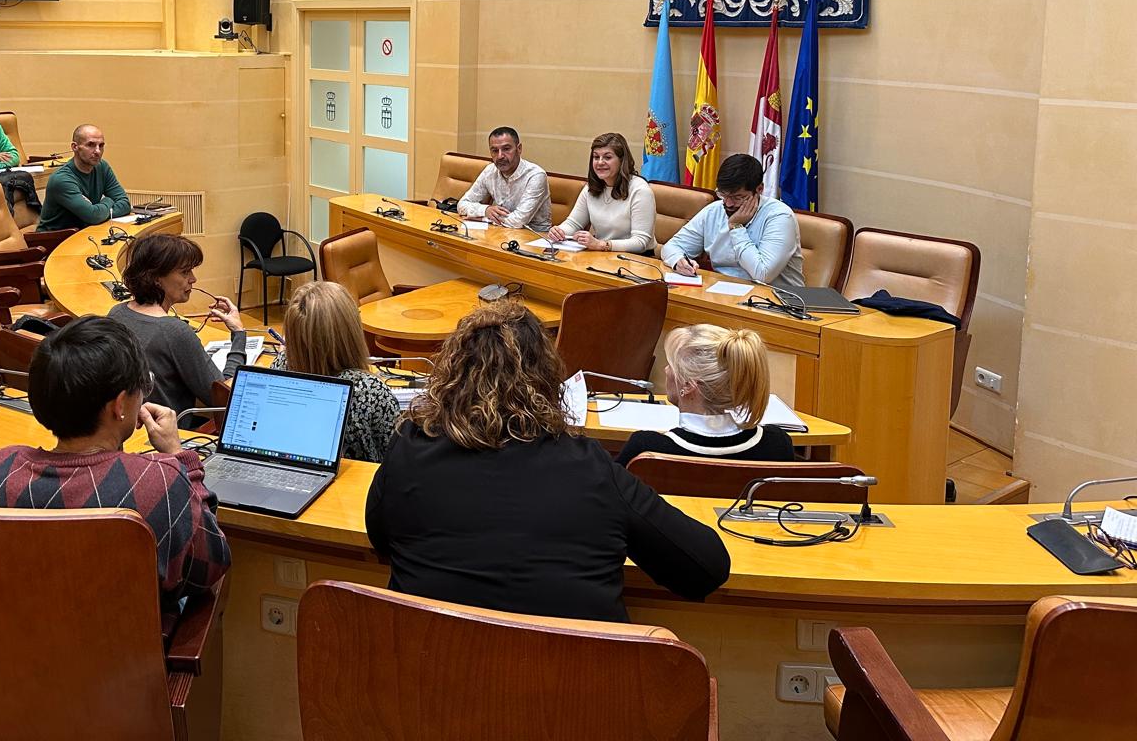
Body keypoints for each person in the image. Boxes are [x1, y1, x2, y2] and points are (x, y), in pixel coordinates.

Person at [365, 299, 729, 623]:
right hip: (572, 690)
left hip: (429, 686)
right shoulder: (591, 468)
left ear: (451, 377)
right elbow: (705, 568)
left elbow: (382, 540)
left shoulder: (410, 450)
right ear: (548, 380)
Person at [0, 316, 231, 607]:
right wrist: (180, 459)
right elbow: (211, 565)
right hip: (128, 650)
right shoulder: (160, 481)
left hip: (16, 647)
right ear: (119, 406)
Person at [616, 324, 795, 465]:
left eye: (671, 364)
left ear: (688, 384)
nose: (666, 370)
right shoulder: (778, 446)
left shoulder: (646, 450)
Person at [111, 233, 248, 412]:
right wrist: (238, 334)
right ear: (155, 278)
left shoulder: (117, 313)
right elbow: (223, 398)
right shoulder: (174, 332)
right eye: (185, 272)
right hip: (173, 432)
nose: (193, 279)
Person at [271, 281, 399, 462]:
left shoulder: (280, 368)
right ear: (350, 329)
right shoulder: (369, 391)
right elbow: (396, 458)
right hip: (356, 486)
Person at [661, 153, 804, 288]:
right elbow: (671, 247)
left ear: (759, 189)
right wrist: (677, 261)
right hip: (724, 294)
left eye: (737, 197)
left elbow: (762, 275)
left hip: (777, 302)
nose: (728, 204)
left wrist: (736, 227)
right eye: (723, 194)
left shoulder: (780, 217)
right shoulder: (714, 211)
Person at [547, 132, 656, 253]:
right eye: (596, 157)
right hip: (601, 253)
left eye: (607, 157)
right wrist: (559, 231)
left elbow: (640, 242)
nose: (600, 162)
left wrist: (602, 244)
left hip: (635, 259)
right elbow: (573, 224)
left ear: (622, 161)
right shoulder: (591, 187)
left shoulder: (640, 190)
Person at [38, 123, 131, 230]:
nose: (97, 151)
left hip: (85, 232)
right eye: (91, 145)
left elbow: (125, 204)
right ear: (74, 147)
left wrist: (98, 210)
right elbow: (93, 216)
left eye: (101, 145)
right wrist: (108, 200)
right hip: (54, 240)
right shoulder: (61, 179)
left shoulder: (102, 167)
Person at [458, 126, 551, 231]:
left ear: (519, 148)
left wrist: (484, 218)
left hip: (533, 237)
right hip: (500, 232)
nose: (500, 156)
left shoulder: (535, 176)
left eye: (506, 149)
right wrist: (485, 210)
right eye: (494, 150)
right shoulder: (490, 171)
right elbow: (462, 205)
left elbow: (518, 221)